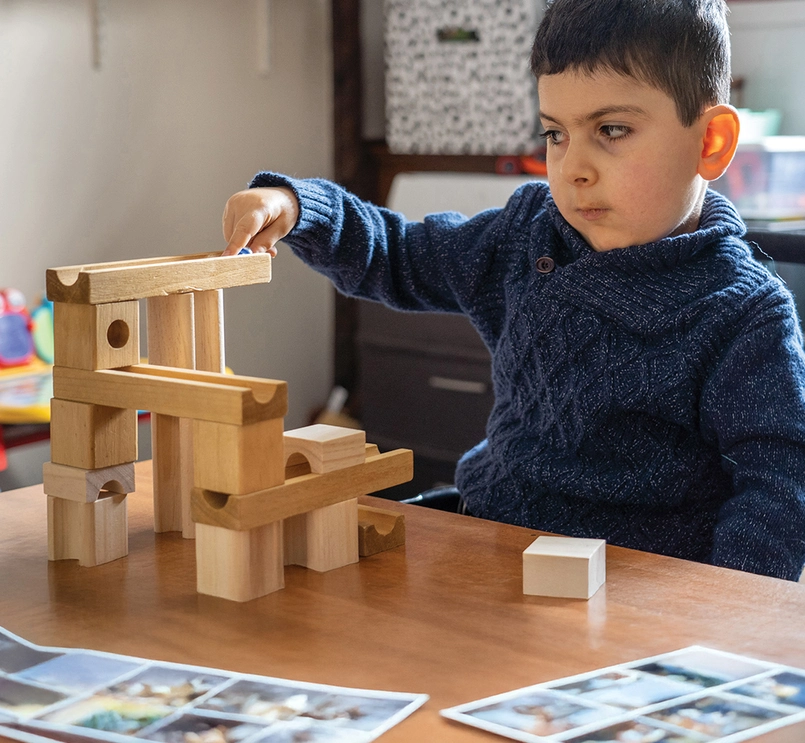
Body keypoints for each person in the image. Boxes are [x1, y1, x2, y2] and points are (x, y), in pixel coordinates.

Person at [220, 0, 805, 581]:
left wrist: (723, 621)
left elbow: (779, 489)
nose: (573, 168)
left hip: (627, 593)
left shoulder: (744, 313)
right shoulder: (529, 231)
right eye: (556, 134)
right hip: (484, 531)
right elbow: (402, 255)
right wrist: (302, 208)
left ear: (710, 143)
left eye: (611, 130)